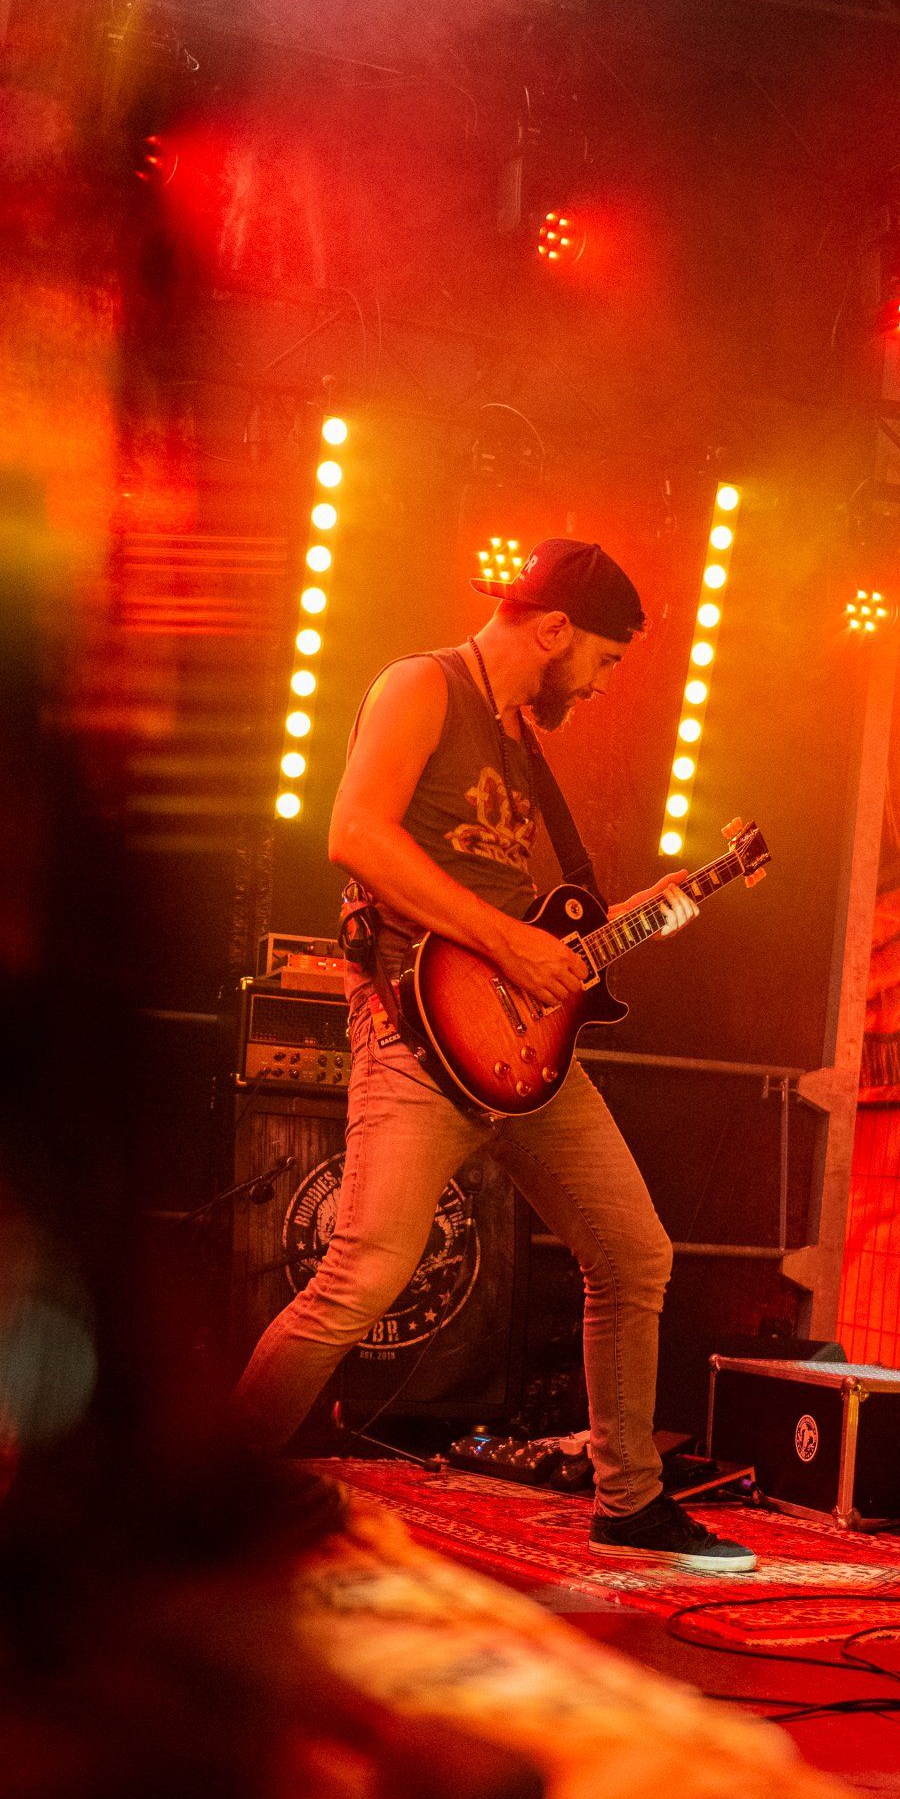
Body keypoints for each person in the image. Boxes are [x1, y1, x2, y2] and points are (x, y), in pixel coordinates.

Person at [234, 539, 757, 1572]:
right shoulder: (421, 684)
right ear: (555, 629)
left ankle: (629, 1500)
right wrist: (512, 945)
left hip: (523, 1051)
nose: (603, 685)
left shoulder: (522, 747)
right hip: (414, 1033)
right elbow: (355, 834)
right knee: (362, 1273)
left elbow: (533, 921)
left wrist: (635, 914)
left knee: (633, 1253)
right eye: (604, 659)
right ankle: (205, 1498)